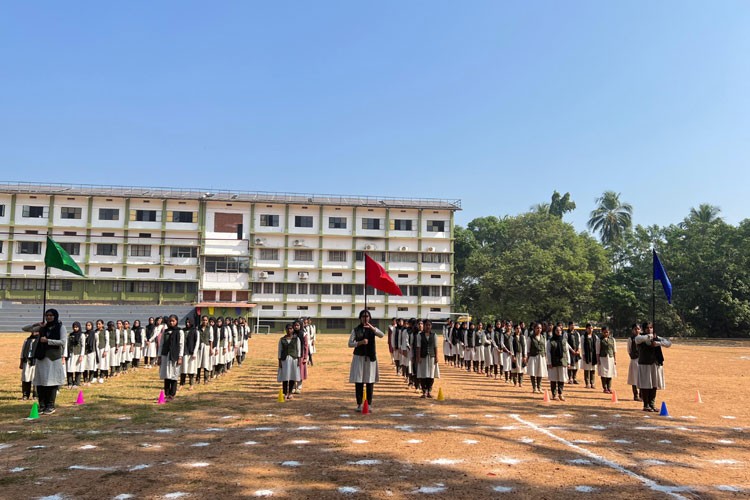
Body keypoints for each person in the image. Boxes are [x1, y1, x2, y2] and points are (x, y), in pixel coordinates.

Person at [23, 309, 68, 415]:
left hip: (53, 358)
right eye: (47, 315)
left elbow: (62, 341)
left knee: (51, 382)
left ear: (55, 316)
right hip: (41, 357)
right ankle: (42, 405)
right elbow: (25, 328)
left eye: (51, 315)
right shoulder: (43, 327)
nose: (49, 317)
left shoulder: (61, 327)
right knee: (40, 382)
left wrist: (48, 341)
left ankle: (50, 405)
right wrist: (36, 324)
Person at [348, 310, 385, 412]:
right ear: (360, 318)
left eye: (367, 316)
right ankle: (359, 404)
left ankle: (368, 404)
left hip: (370, 357)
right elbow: (350, 343)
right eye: (363, 316)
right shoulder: (356, 330)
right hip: (359, 357)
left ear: (370, 318)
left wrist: (372, 328)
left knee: (369, 381)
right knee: (359, 381)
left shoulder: (373, 329)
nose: (365, 318)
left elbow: (382, 335)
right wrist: (360, 342)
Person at [635, 321, 672, 412]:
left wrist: (658, 343)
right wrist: (650, 337)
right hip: (645, 363)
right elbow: (640, 339)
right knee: (645, 384)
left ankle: (652, 404)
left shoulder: (657, 337)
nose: (649, 329)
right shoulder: (640, 337)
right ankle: (646, 404)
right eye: (647, 328)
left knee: (654, 385)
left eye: (651, 328)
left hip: (655, 363)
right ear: (644, 329)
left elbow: (668, 343)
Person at [158, 314, 184, 402]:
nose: (171, 322)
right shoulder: (165, 331)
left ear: (176, 321)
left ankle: (172, 394)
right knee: (166, 375)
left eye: (173, 321)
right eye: (170, 321)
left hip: (175, 355)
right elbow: (161, 344)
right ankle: (167, 393)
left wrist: (180, 357)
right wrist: (159, 356)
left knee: (173, 375)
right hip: (165, 354)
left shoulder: (179, 332)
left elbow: (181, 345)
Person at [416, 318, 440, 398]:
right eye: (426, 325)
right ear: (424, 326)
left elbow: (436, 347)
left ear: (431, 326)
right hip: (423, 357)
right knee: (423, 375)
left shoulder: (434, 335)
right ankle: (424, 391)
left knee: (431, 375)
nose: (428, 327)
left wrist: (436, 356)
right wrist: (418, 357)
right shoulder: (419, 335)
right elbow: (418, 347)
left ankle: (429, 390)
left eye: (429, 325)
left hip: (432, 357)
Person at [278, 323, 301, 400]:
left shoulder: (296, 339)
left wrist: (299, 360)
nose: (289, 330)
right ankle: (284, 393)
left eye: (291, 328)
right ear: (286, 330)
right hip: (284, 359)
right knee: (285, 377)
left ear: (293, 330)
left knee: (292, 376)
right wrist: (279, 361)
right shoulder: (282, 340)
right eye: (288, 328)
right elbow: (279, 351)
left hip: (294, 359)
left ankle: (290, 393)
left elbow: (299, 350)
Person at [546, 324, 569, 401]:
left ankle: (560, 394)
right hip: (554, 362)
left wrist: (568, 362)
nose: (559, 332)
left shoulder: (564, 340)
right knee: (553, 379)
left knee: (561, 379)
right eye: (557, 330)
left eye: (560, 330)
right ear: (554, 331)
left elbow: (567, 351)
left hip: (562, 361)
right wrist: (549, 362)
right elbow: (548, 352)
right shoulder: (550, 341)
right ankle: (554, 394)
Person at [527, 323, 548, 393]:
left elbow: (545, 348)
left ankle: (539, 387)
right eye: (537, 328)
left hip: (541, 357)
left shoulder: (543, 337)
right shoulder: (530, 337)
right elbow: (528, 349)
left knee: (540, 372)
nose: (539, 330)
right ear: (534, 329)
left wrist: (545, 357)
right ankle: (534, 387)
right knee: (533, 372)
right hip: (533, 356)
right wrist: (527, 357)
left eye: (540, 328)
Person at [596, 326, 617, 394]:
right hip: (603, 358)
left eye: (607, 332)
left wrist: (615, 359)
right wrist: (598, 360)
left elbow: (614, 350)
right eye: (604, 332)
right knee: (604, 373)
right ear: (602, 332)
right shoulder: (599, 340)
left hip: (610, 358)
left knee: (610, 373)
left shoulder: (612, 339)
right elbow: (597, 351)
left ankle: (609, 387)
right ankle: (605, 388)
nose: (606, 333)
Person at [19, 328, 39, 400]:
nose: (34, 332)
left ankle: (35, 395)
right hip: (27, 361)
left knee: (35, 378)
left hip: (36, 362)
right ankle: (25, 395)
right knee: (26, 378)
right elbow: (22, 352)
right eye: (33, 331)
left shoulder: (40, 341)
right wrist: (21, 362)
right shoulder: (27, 340)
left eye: (36, 331)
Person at [180, 318, 199, 390]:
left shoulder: (195, 331)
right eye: (186, 322)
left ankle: (191, 384)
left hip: (191, 352)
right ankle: (182, 383)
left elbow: (197, 342)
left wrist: (195, 352)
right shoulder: (183, 331)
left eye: (189, 322)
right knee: (183, 369)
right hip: (184, 351)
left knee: (191, 369)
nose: (187, 324)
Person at [66, 321, 85, 388]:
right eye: (74, 327)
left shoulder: (82, 335)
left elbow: (83, 346)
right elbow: (68, 344)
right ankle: (70, 383)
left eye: (76, 327)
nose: (75, 328)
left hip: (78, 354)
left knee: (78, 369)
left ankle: (76, 383)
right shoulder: (71, 335)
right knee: (70, 369)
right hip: (71, 353)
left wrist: (81, 355)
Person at [196, 315, 213, 384]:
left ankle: (206, 378)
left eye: (206, 320)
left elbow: (211, 339)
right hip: (199, 347)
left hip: (206, 346)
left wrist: (211, 348)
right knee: (198, 363)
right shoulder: (198, 328)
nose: (204, 321)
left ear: (207, 321)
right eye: (203, 320)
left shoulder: (210, 328)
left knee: (206, 363)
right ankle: (198, 378)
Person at [626, 323, 641, 401]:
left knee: (642, 378)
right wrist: (633, 357)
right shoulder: (630, 339)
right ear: (632, 330)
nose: (637, 330)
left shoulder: (643, 338)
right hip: (634, 360)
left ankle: (642, 394)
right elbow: (629, 350)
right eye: (635, 329)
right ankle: (635, 395)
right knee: (634, 378)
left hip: (642, 361)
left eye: (638, 329)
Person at [581, 323, 598, 389]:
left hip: (593, 354)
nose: (590, 330)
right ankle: (587, 383)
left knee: (593, 369)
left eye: (591, 328)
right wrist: (583, 355)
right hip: (587, 355)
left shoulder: (595, 337)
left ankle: (592, 382)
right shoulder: (583, 337)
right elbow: (582, 347)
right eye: (589, 328)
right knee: (587, 369)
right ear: (586, 329)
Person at [83, 321, 98, 385]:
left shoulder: (95, 333)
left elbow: (97, 343)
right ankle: (85, 379)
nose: (87, 326)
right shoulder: (84, 334)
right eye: (86, 325)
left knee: (91, 366)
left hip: (92, 352)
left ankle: (90, 379)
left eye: (89, 325)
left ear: (91, 326)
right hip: (85, 352)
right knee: (84, 366)